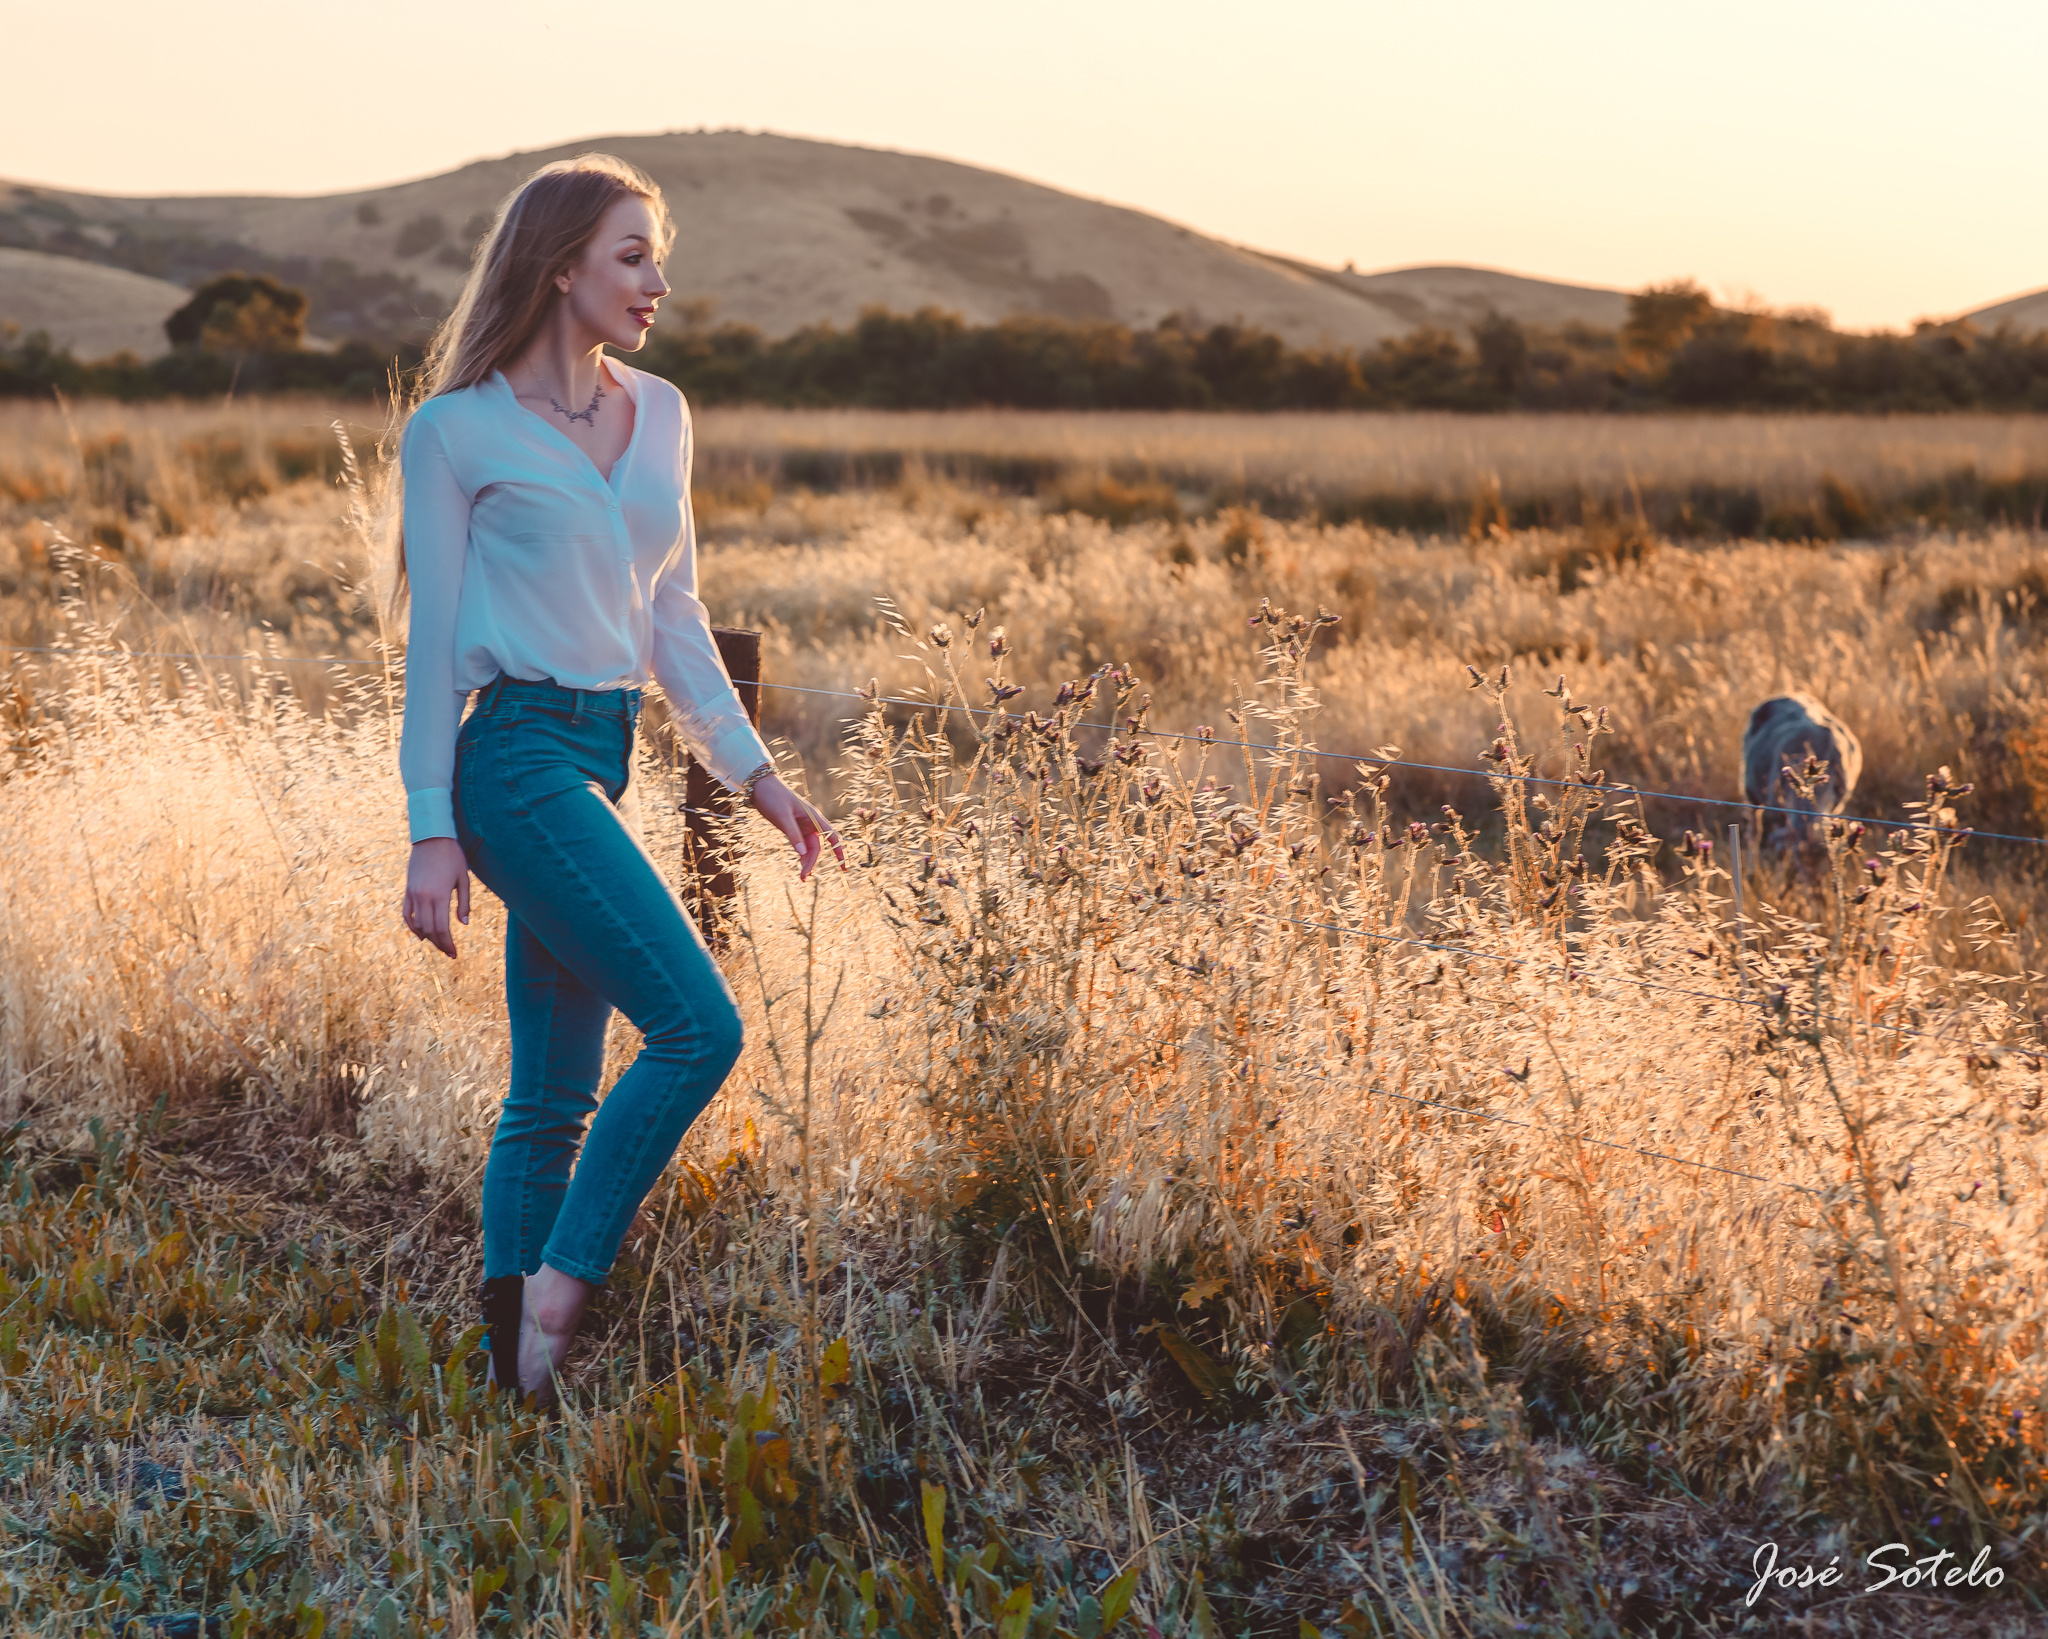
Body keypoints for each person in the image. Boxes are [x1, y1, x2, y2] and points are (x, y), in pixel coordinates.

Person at [392, 153, 841, 1411]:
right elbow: (431, 647)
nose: (656, 282)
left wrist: (752, 772)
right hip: (514, 759)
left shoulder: (665, 413)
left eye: (658, 256)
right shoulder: (456, 430)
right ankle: (558, 1289)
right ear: (559, 268)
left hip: (598, 759)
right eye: (632, 256)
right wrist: (430, 828)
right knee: (700, 1028)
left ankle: (512, 1377)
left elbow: (672, 614)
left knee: (551, 1091)